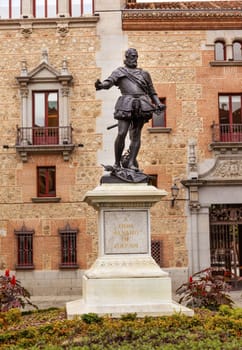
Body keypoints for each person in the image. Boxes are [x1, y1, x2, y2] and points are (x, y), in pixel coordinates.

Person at [95, 48, 165, 171]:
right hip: (126, 103)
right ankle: (117, 163)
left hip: (142, 104)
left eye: (136, 57)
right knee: (122, 133)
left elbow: (151, 91)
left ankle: (132, 162)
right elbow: (109, 82)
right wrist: (101, 86)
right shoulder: (119, 72)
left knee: (136, 135)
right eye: (132, 57)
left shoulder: (144, 74)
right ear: (126, 57)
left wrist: (158, 103)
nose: (135, 59)